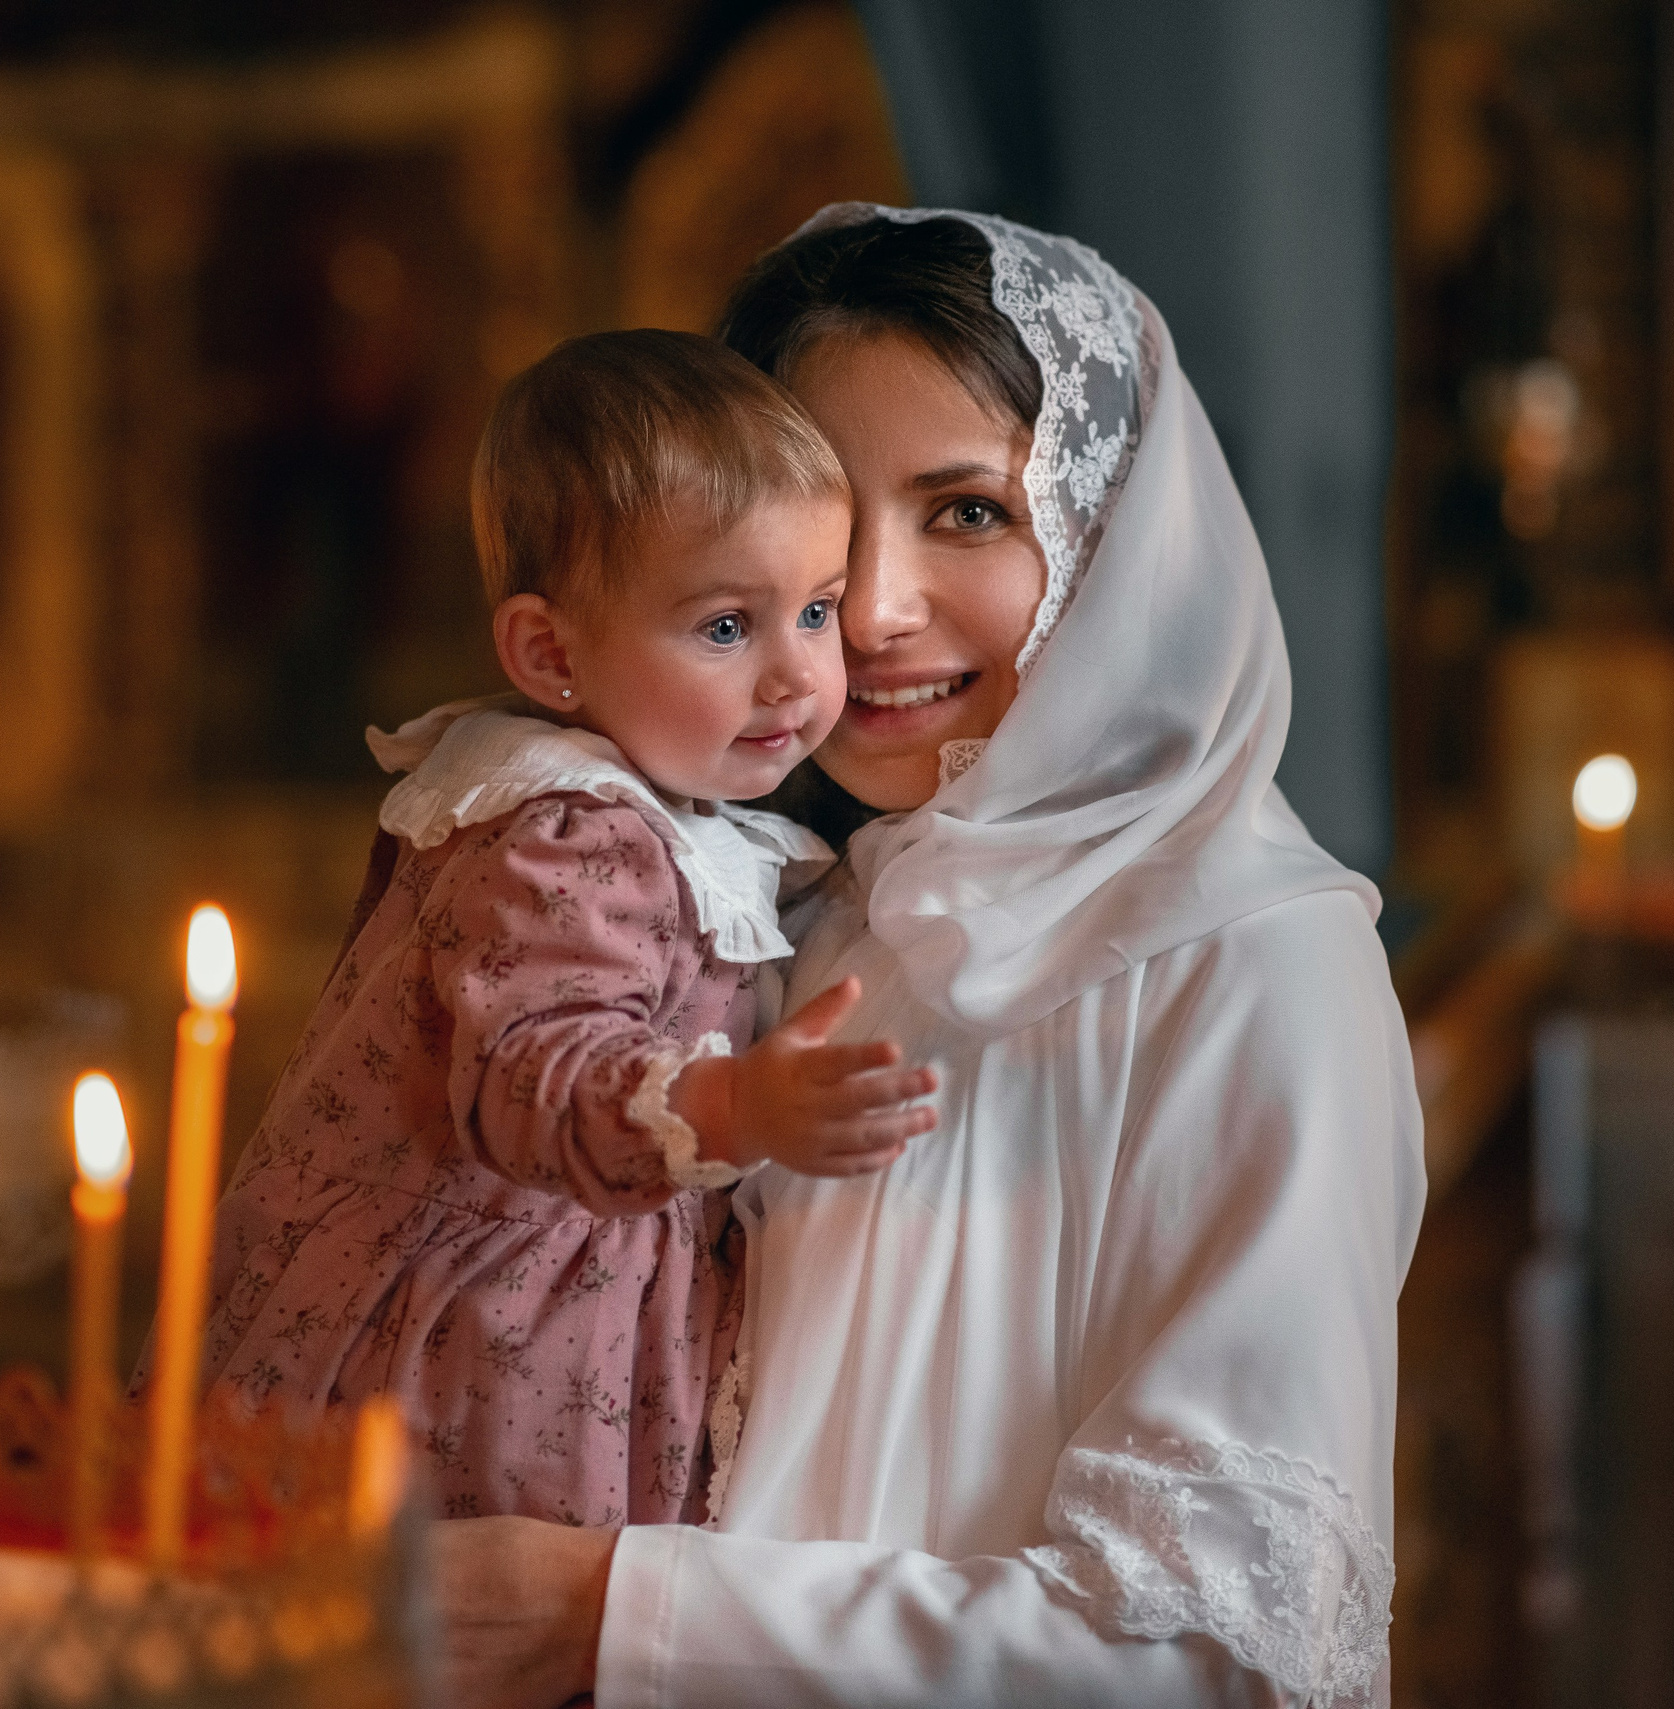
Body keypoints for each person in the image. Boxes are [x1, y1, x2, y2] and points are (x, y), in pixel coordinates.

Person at [432, 209, 1425, 1707]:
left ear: (1114, 544)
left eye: (967, 512)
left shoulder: (1255, 967)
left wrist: (610, 1613)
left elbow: (1211, 1658)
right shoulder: (803, 921)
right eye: (828, 536)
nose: (874, 615)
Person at [193, 329, 939, 1531]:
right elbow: (529, 1067)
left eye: (815, 608)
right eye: (724, 627)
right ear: (550, 652)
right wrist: (734, 1108)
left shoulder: (638, 808)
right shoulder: (575, 831)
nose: (799, 674)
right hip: (493, 1338)